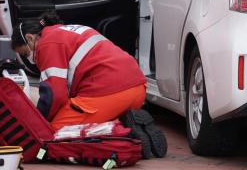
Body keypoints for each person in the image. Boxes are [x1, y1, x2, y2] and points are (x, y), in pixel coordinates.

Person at [10, 10, 167, 158]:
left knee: (55, 133)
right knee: (72, 113)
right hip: (137, 89)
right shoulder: (69, 30)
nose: (28, 58)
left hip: (111, 92)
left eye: (25, 53)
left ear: (30, 38)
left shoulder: (47, 44)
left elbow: (55, 95)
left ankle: (125, 134)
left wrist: (40, 121)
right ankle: (127, 121)